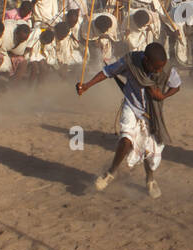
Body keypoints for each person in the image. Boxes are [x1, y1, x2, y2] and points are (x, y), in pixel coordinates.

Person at [76, 41, 179, 199]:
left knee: (149, 150)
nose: (159, 71)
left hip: (153, 112)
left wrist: (163, 96)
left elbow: (176, 86)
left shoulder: (167, 69)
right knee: (126, 140)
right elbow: (107, 71)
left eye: (161, 67)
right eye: (156, 67)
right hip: (131, 106)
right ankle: (110, 173)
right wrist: (87, 85)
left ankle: (150, 180)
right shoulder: (130, 62)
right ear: (146, 61)